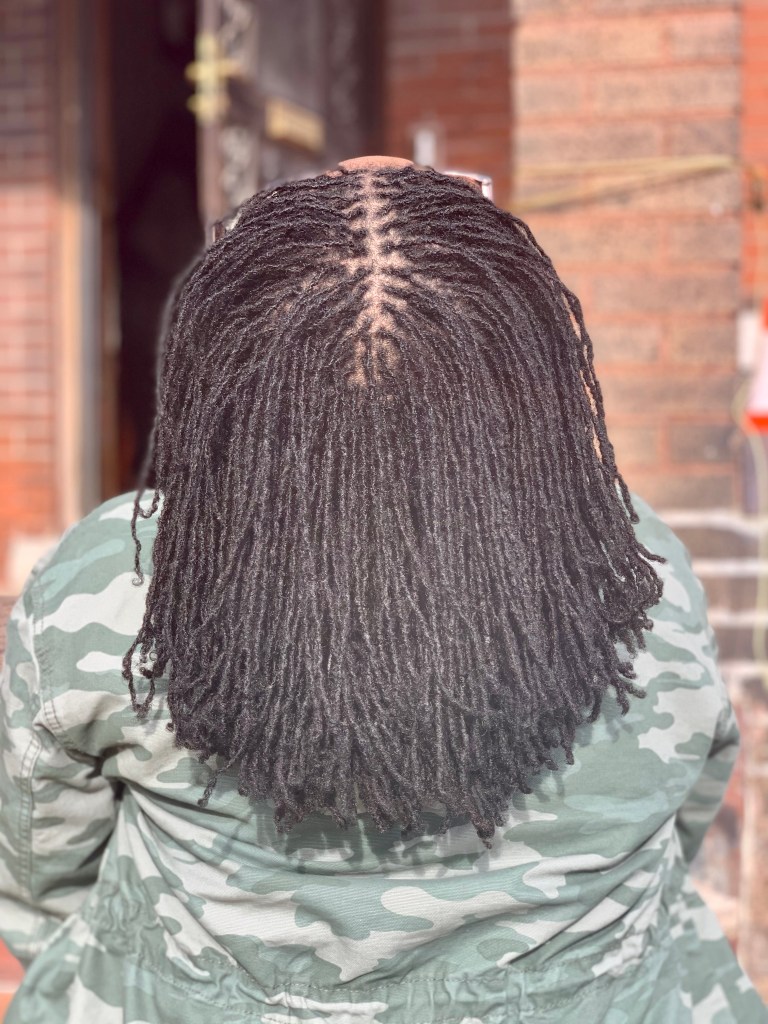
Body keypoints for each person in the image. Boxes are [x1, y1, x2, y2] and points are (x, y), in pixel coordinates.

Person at [0, 156, 765, 1024]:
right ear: (524, 384)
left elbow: (38, 864)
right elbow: (686, 808)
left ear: (226, 377)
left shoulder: (118, 575)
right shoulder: (632, 574)